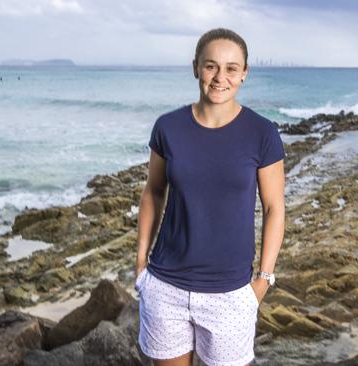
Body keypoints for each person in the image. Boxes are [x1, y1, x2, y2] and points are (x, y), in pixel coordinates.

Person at [135, 28, 286, 366]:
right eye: (211, 66)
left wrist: (263, 280)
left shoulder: (262, 133)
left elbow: (275, 208)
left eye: (232, 68)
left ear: (244, 74)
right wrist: (141, 264)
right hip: (165, 288)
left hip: (230, 295)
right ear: (195, 68)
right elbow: (154, 191)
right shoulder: (167, 127)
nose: (220, 77)